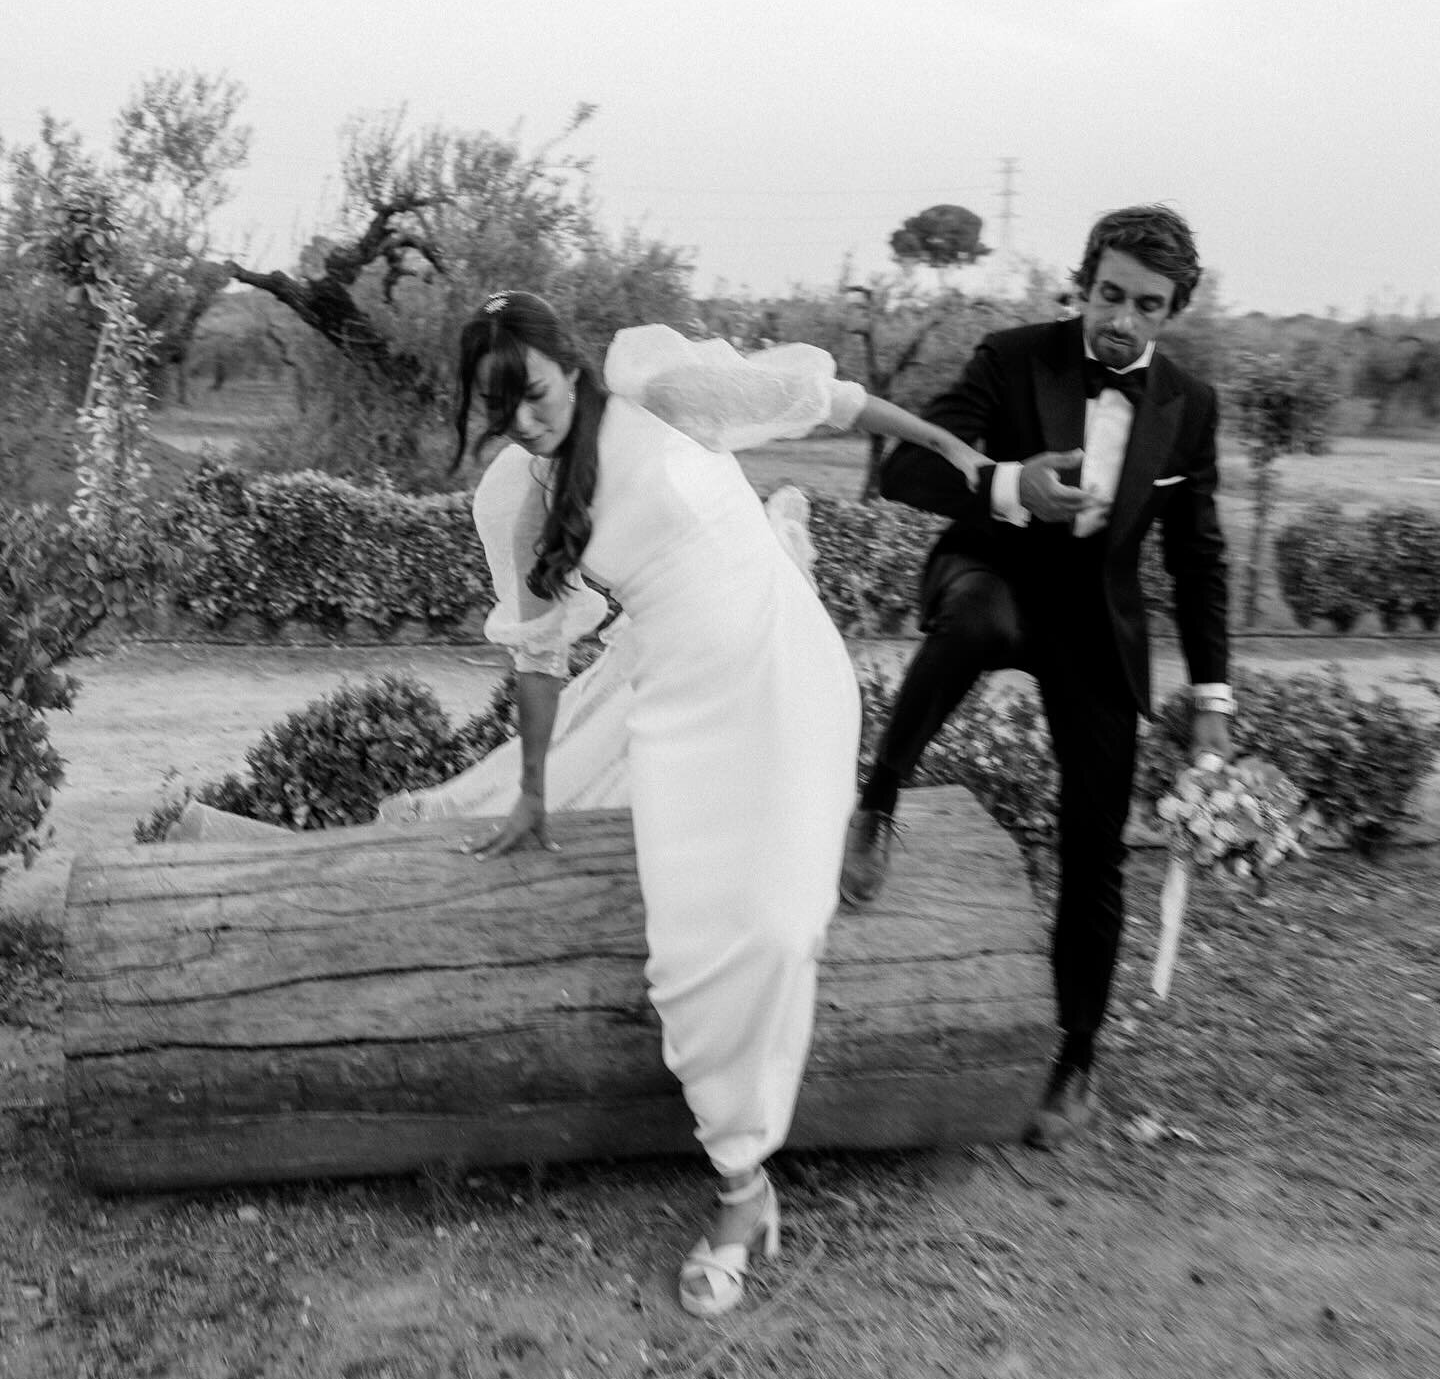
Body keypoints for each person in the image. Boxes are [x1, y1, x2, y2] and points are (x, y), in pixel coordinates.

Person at [451, 292, 983, 1318]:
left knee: (782, 931)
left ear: (572, 365)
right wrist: (530, 792)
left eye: (536, 393)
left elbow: (833, 402)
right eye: (499, 406)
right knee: (685, 959)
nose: (524, 419)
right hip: (680, 712)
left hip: (783, 672)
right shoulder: (516, 498)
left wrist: (963, 458)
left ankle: (740, 1196)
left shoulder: (664, 389)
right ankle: (749, 1186)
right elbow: (540, 657)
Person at [840, 204, 1233, 1151]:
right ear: (1083, 282)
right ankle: (880, 797)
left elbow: (1199, 558)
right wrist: (1009, 484)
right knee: (978, 618)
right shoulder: (1013, 356)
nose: (1122, 321)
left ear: (1172, 308)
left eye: (1146, 304)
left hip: (1097, 621)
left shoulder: (1191, 406)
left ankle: (1076, 1059)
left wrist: (1213, 701)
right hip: (992, 569)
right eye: (1108, 295)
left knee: (1096, 848)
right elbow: (904, 473)